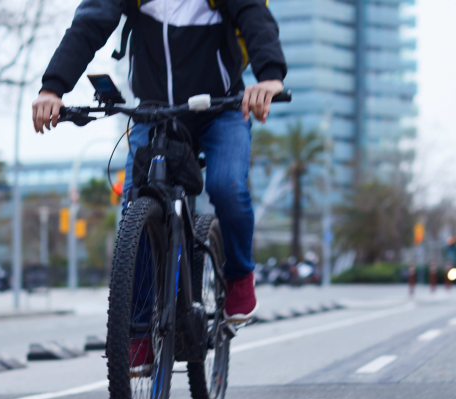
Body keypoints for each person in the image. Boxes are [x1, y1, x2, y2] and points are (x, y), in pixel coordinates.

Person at [32, 0, 286, 326]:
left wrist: (270, 76)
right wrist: (52, 88)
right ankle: (137, 324)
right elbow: (89, 24)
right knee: (136, 201)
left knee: (227, 186)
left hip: (221, 108)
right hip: (153, 111)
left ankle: (239, 275)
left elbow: (255, 16)